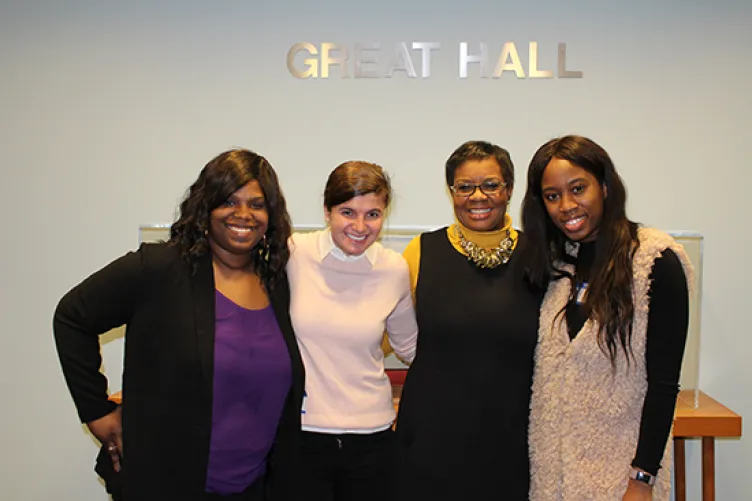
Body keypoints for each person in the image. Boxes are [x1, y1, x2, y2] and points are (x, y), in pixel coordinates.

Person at [53, 149, 305, 501]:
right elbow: (71, 317)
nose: (244, 214)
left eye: (257, 204)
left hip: (255, 486)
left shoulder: (277, 281)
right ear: (206, 206)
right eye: (229, 201)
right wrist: (97, 412)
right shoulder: (159, 269)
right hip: (169, 482)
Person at [521, 135, 692, 501]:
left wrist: (641, 478)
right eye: (552, 196)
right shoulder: (555, 266)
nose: (566, 206)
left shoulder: (655, 262)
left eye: (578, 189)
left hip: (621, 478)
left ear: (605, 185)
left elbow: (664, 386)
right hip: (553, 479)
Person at [393, 141, 544, 501]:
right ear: (452, 193)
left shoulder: (540, 256)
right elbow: (377, 333)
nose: (478, 196)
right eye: (465, 187)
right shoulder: (421, 251)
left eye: (490, 185)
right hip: (431, 440)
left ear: (508, 189)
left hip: (511, 442)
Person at [286, 161, 418, 501]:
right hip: (302, 434)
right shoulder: (293, 254)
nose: (360, 226)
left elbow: (410, 348)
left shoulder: (393, 268)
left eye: (372, 214)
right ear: (328, 210)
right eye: (348, 212)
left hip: (372, 437)